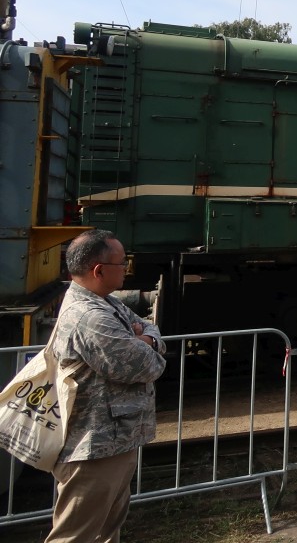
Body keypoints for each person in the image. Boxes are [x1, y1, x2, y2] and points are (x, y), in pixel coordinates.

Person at [46, 229, 166, 543]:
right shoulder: (90, 316)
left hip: (113, 442)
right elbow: (148, 365)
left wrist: (145, 338)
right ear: (99, 270)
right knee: (76, 536)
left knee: (105, 532)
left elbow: (150, 327)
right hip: (95, 448)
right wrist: (146, 343)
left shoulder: (105, 303)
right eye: (122, 262)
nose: (126, 268)